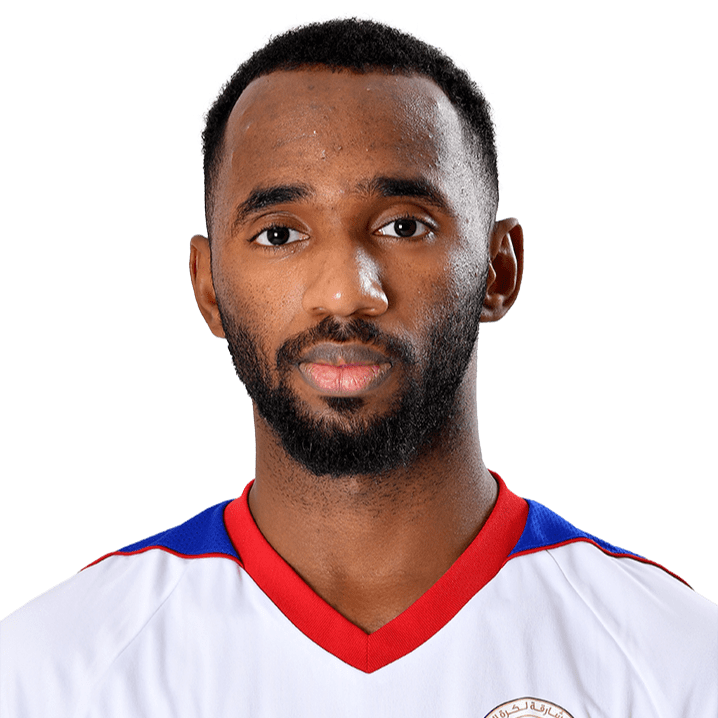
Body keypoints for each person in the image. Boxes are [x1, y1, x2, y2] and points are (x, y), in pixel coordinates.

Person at [1, 14, 715, 718]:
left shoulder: (678, 664)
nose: (346, 292)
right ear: (208, 286)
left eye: (404, 226)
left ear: (498, 270)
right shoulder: (51, 673)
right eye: (279, 234)